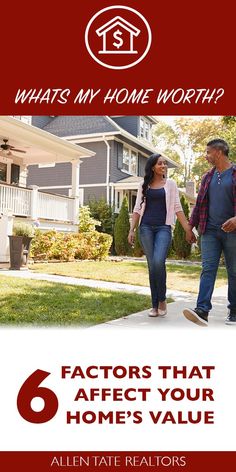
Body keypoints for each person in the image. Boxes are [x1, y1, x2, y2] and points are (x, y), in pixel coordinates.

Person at [128, 153, 195, 317]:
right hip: (146, 228)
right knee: (152, 265)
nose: (164, 166)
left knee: (158, 262)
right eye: (160, 163)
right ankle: (154, 305)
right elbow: (137, 209)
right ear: (152, 167)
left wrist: (188, 229)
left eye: (165, 164)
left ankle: (162, 299)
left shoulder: (170, 184)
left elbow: (178, 208)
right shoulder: (144, 185)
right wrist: (131, 229)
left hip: (164, 227)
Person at [183, 139, 236, 326]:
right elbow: (199, 205)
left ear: (219, 152)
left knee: (234, 271)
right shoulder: (207, 177)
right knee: (208, 269)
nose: (206, 156)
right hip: (210, 230)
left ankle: (234, 310)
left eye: (208, 152)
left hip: (233, 232)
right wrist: (190, 227)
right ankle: (202, 310)